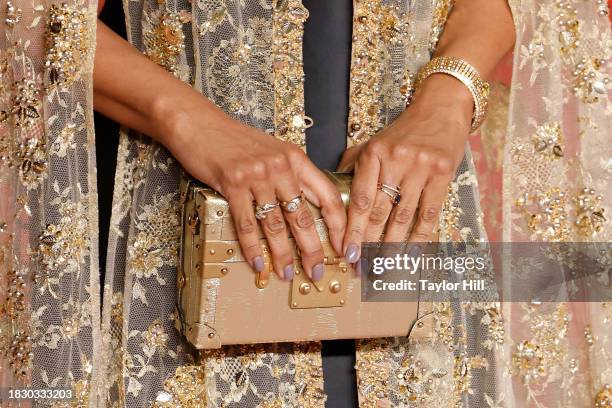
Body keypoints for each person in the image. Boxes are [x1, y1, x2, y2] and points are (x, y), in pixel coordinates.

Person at [0, 0, 610, 407]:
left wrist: (450, 95)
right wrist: (185, 118)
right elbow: (27, 12)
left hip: (415, 250)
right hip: (192, 259)